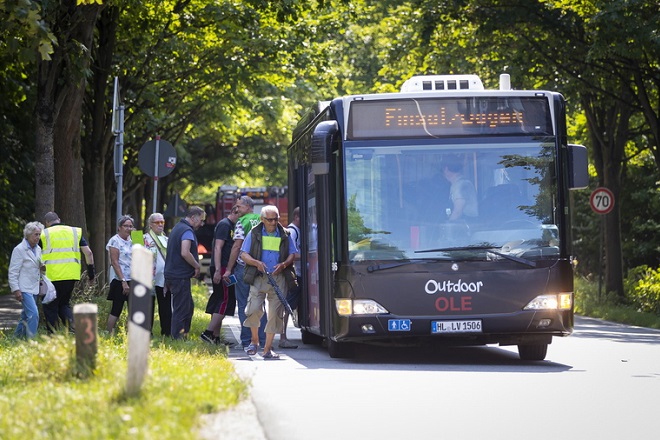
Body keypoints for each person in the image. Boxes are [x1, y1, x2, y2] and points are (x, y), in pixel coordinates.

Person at [240, 205, 297, 360]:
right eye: (270, 219)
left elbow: (293, 254)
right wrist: (256, 262)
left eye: (276, 219)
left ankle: (267, 349)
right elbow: (243, 254)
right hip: (259, 277)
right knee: (252, 309)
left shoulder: (285, 234)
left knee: (275, 314)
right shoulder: (254, 233)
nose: (273, 222)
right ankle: (254, 341)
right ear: (262, 219)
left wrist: (284, 265)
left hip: (279, 278)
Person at [223, 196, 267, 349]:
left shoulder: (242, 222)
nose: (237, 209)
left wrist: (229, 269)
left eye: (239, 206)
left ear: (248, 207)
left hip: (245, 268)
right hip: (261, 267)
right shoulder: (262, 221)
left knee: (243, 303)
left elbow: (237, 247)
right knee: (260, 303)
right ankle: (262, 338)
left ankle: (247, 340)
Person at [41, 211, 95, 332]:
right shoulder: (75, 232)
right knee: (63, 304)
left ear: (47, 223)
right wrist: (91, 274)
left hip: (51, 276)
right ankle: (75, 327)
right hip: (71, 276)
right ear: (59, 219)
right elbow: (89, 253)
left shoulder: (43, 234)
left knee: (50, 306)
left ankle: (52, 336)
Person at [164, 206, 206, 339]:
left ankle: (182, 335)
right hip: (179, 276)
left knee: (187, 307)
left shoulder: (177, 227)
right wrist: (196, 266)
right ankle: (178, 338)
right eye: (201, 220)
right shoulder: (187, 231)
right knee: (181, 309)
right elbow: (185, 252)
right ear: (193, 218)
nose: (202, 223)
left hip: (173, 274)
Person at [201, 206, 240, 346]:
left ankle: (215, 337)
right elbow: (218, 247)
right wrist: (218, 270)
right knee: (225, 300)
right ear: (234, 212)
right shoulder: (225, 225)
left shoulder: (230, 225)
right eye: (240, 216)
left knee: (220, 299)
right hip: (222, 267)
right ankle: (208, 332)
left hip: (223, 267)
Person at [9, 221, 44, 338]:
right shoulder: (19, 249)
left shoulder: (38, 249)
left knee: (25, 316)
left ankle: (15, 339)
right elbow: (13, 271)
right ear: (28, 235)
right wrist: (16, 289)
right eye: (36, 234)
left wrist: (42, 267)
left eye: (39, 234)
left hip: (34, 287)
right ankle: (31, 343)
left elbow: (36, 264)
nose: (38, 237)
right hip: (23, 288)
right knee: (34, 314)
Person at [143, 212, 171, 336]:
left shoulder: (167, 239)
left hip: (164, 279)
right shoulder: (142, 238)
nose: (160, 225)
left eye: (162, 222)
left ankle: (167, 333)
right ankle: (147, 333)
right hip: (147, 279)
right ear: (150, 224)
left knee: (165, 307)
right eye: (157, 222)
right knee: (148, 307)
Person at [106, 215, 134, 334]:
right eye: (126, 226)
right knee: (117, 308)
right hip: (120, 279)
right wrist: (123, 281)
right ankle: (109, 332)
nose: (128, 229)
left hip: (133, 278)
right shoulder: (114, 241)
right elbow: (115, 261)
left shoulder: (134, 240)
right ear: (119, 227)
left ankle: (130, 333)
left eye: (130, 226)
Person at [279, 206, 301, 349]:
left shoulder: (295, 230)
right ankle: (282, 337)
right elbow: (290, 254)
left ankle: (283, 336)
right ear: (297, 217)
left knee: (289, 305)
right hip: (294, 274)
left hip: (297, 273)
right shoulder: (292, 232)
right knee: (287, 306)